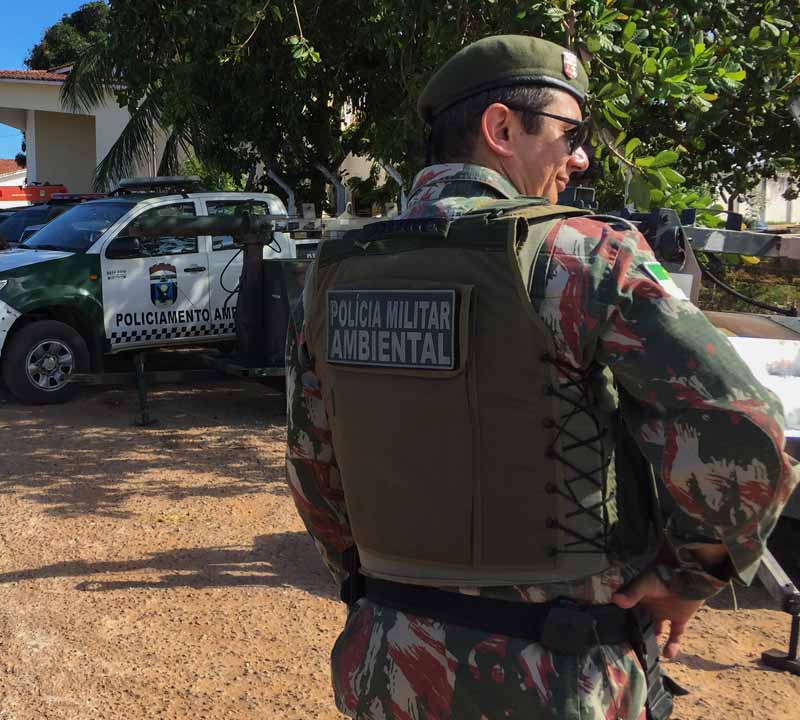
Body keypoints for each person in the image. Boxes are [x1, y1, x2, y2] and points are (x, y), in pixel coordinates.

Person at [285, 34, 796, 720]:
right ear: (501, 129)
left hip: (389, 664)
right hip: (555, 674)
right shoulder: (581, 254)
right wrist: (688, 576)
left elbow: (312, 464)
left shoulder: (333, 272)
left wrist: (383, 586)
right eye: (569, 133)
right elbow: (743, 426)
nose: (578, 157)